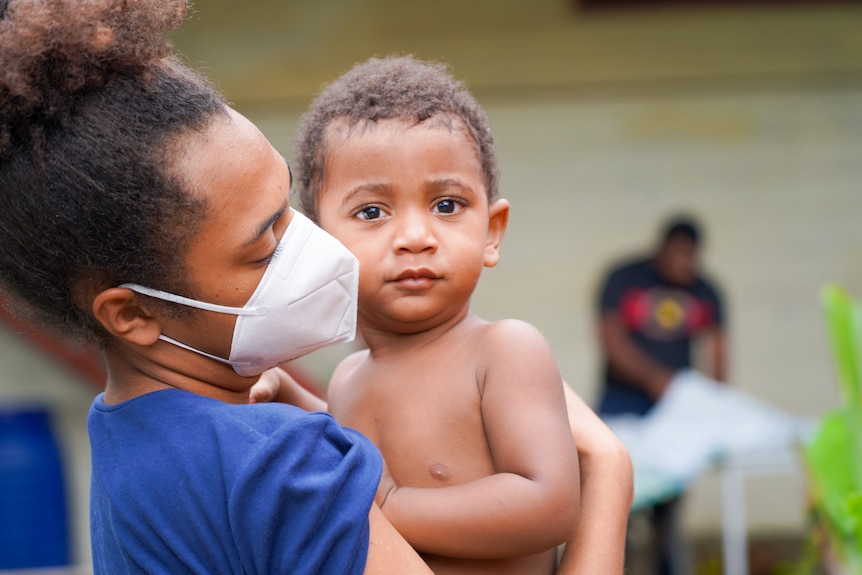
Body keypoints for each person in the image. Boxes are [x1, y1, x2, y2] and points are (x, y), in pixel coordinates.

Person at [0, 2, 435, 573]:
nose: (309, 246)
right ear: (132, 313)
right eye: (263, 246)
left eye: (287, 207)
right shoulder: (281, 462)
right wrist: (597, 466)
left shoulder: (121, 430)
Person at [283, 54, 631, 574]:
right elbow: (350, 465)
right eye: (372, 211)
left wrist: (395, 505)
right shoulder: (350, 378)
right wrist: (290, 396)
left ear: (492, 231)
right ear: (318, 245)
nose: (416, 238)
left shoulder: (504, 351)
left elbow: (549, 505)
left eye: (446, 205)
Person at [596, 215, 727, 575]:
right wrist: (657, 379)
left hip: (673, 418)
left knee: (668, 515)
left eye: (691, 257)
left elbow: (718, 353)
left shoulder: (706, 290)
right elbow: (611, 340)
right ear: (661, 248)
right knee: (611, 506)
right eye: (678, 254)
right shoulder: (624, 278)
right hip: (622, 408)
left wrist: (710, 410)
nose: (684, 265)